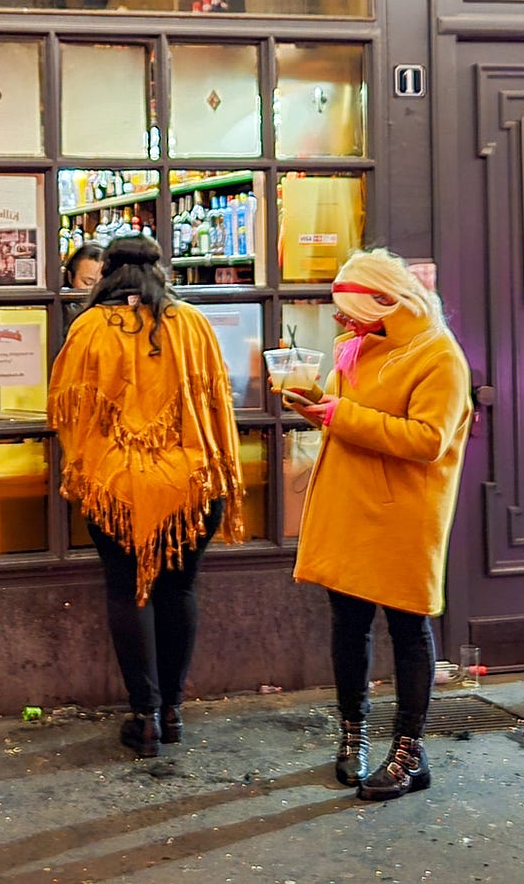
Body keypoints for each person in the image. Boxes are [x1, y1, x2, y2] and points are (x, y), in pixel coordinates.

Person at [48, 234, 244, 756]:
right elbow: (217, 406)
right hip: (191, 484)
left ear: (107, 271)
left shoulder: (88, 327)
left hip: (115, 486)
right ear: (161, 271)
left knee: (126, 590)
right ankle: (174, 711)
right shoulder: (193, 325)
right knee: (178, 591)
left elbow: (67, 413)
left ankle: (146, 714)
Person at [291, 248, 472, 802]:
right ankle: (353, 736)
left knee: (407, 629)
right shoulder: (355, 347)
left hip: (402, 513)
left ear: (385, 302)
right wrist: (317, 405)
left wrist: (338, 415)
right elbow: (348, 421)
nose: (341, 324)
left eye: (349, 312)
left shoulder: (439, 356)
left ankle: (408, 753)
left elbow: (426, 441)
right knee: (348, 624)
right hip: (349, 503)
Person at [61, 241, 105, 329]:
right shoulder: (60, 315)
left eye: (102, 283)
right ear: (70, 277)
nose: (96, 289)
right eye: (88, 283)